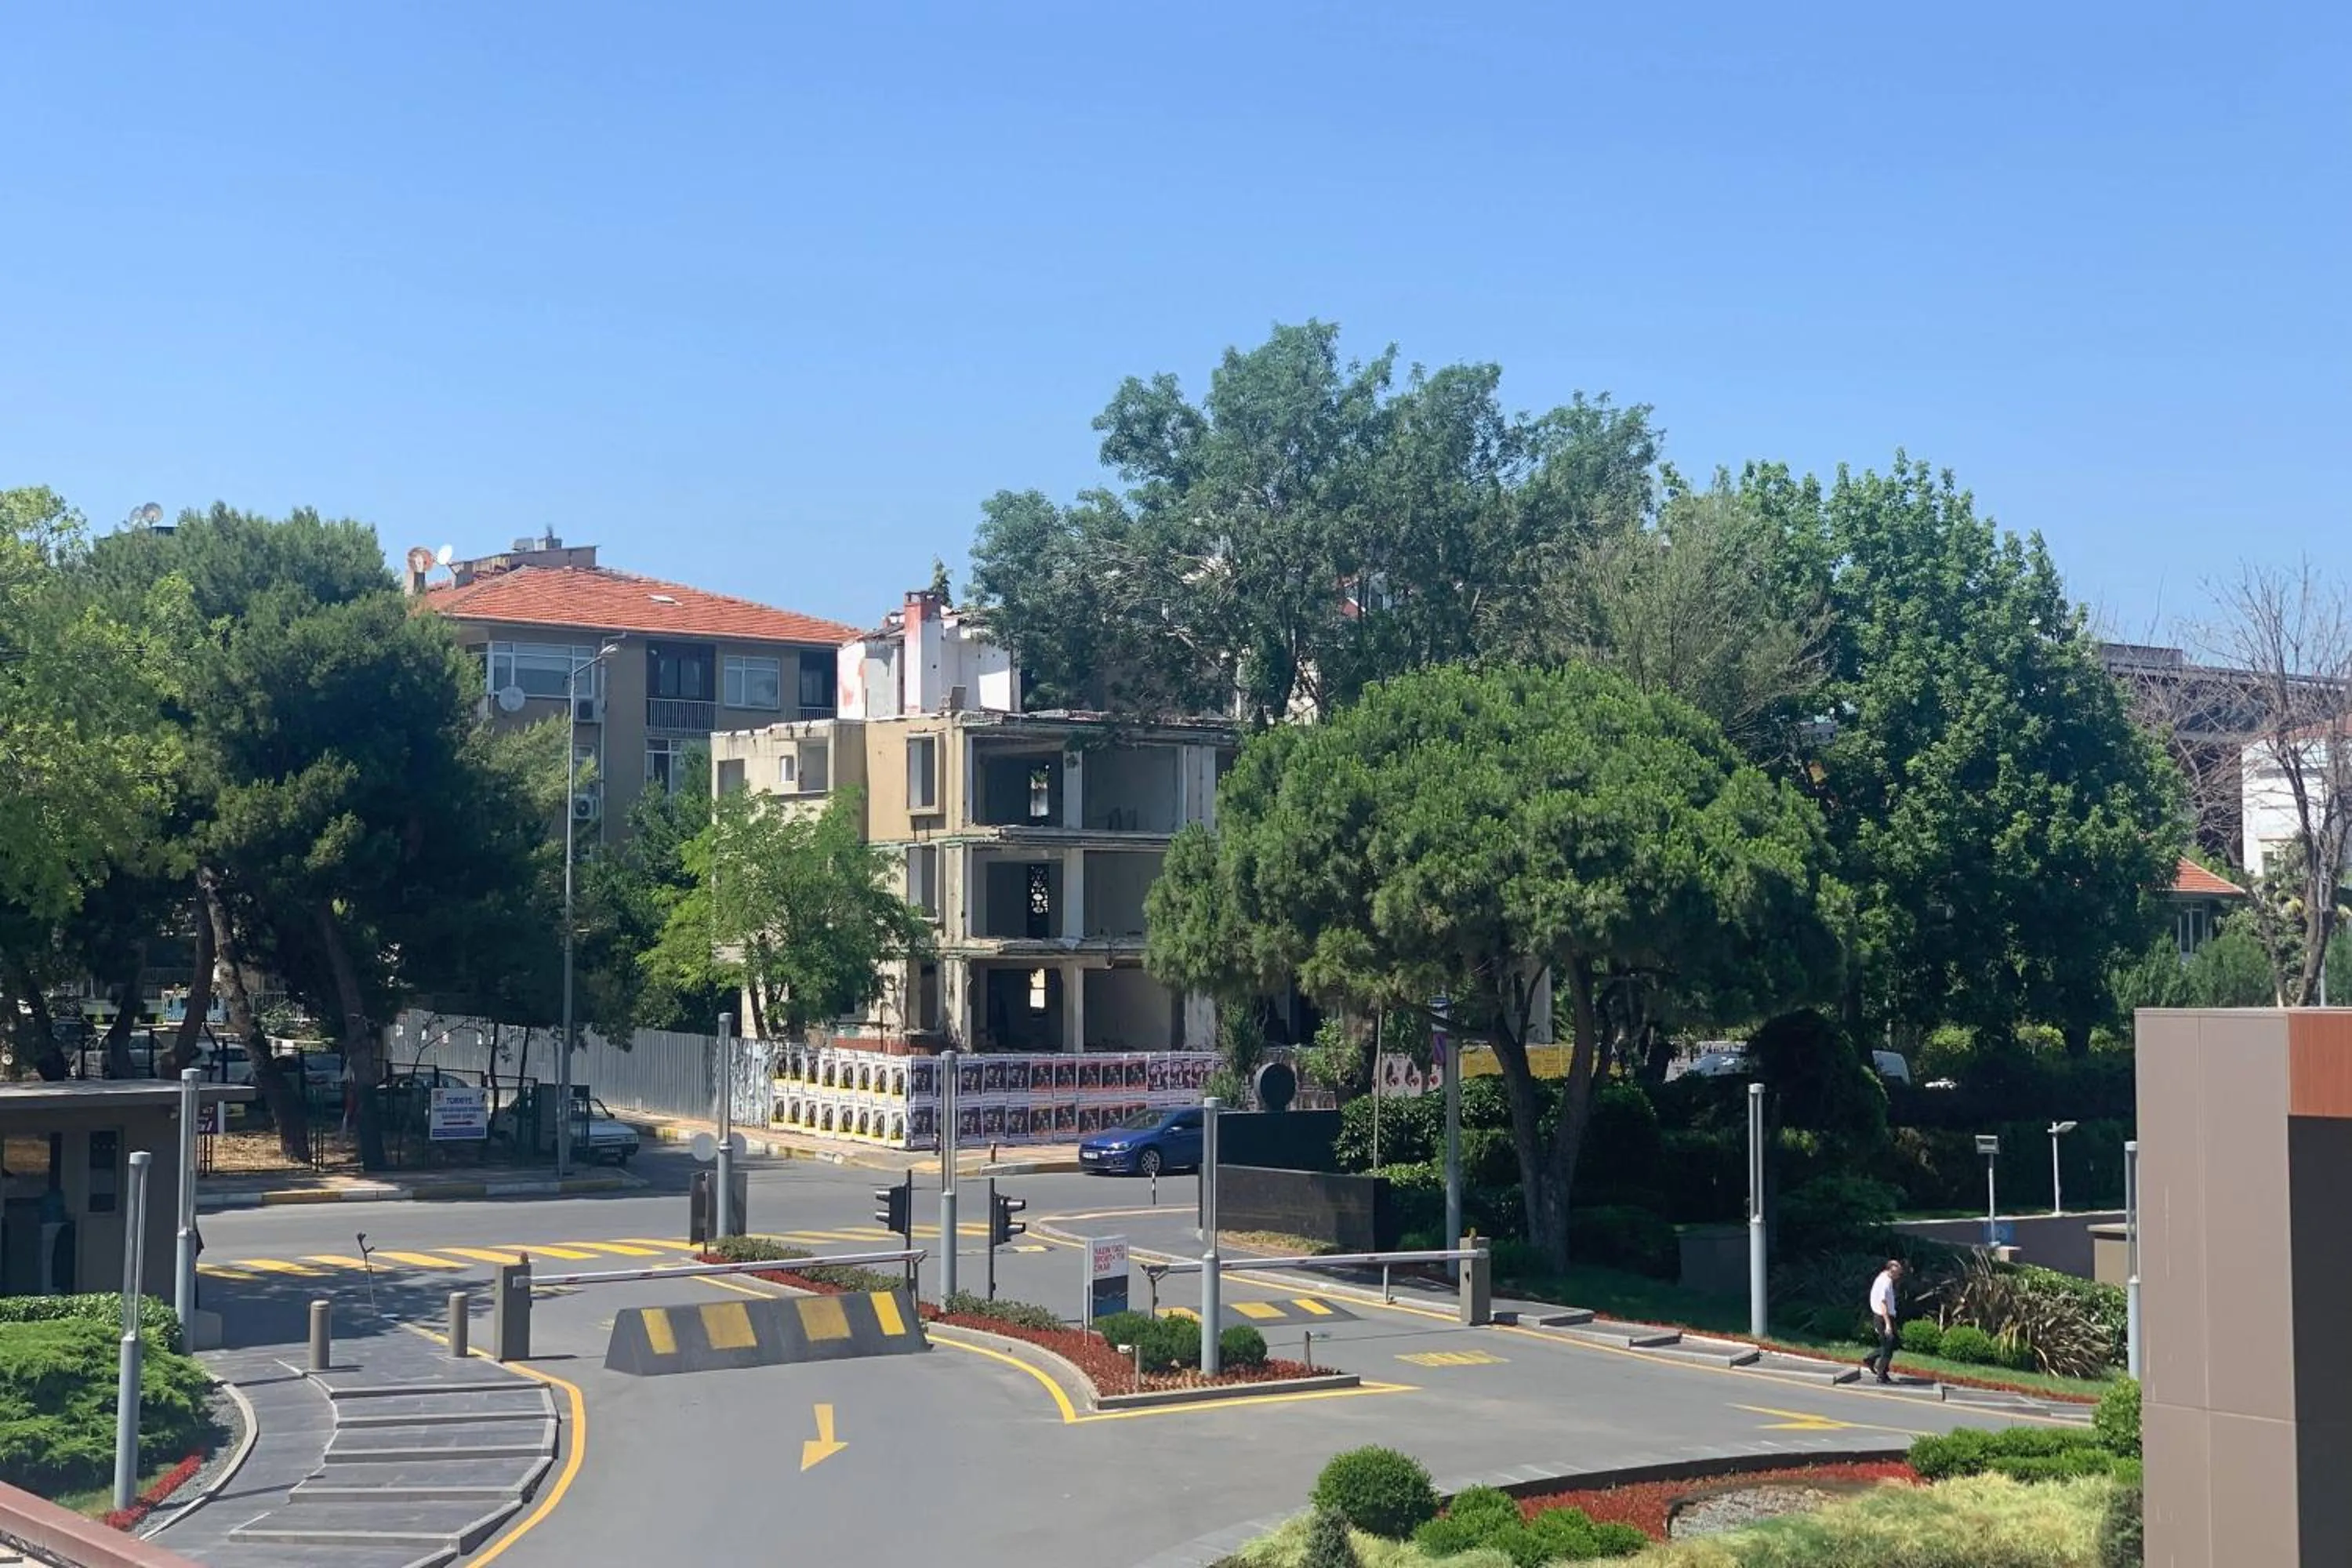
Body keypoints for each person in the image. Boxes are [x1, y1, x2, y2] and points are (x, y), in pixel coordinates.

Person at [1864, 1258, 1906, 1383]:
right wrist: (1888, 1324)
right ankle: (1881, 1375)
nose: (1899, 1276)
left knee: (1894, 1343)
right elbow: (1883, 1304)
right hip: (1883, 1317)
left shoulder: (1882, 1277)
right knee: (1888, 1345)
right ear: (1891, 1271)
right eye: (1898, 1273)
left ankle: (1871, 1359)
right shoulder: (1886, 1282)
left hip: (1886, 1317)